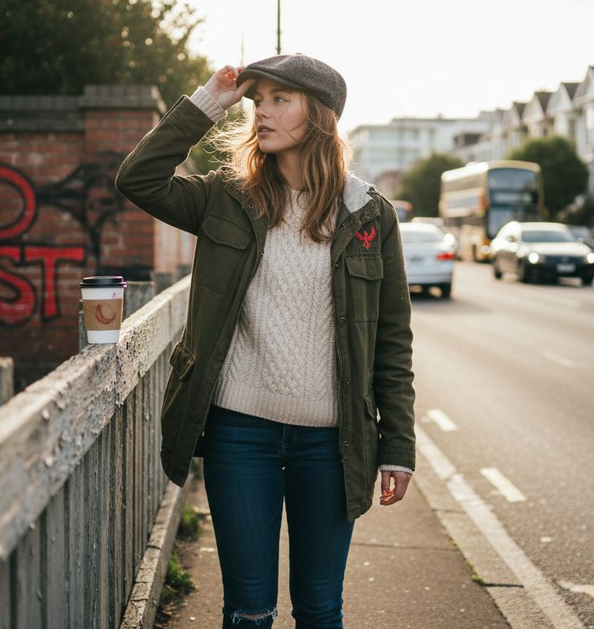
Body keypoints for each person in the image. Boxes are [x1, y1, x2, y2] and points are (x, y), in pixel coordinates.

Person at [115, 54, 416, 629]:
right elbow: (138, 179)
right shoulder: (226, 196)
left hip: (332, 442)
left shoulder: (367, 214)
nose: (263, 112)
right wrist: (208, 101)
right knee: (249, 610)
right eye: (259, 100)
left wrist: (397, 444)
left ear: (321, 115)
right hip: (240, 433)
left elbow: (393, 340)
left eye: (281, 100)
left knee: (321, 609)